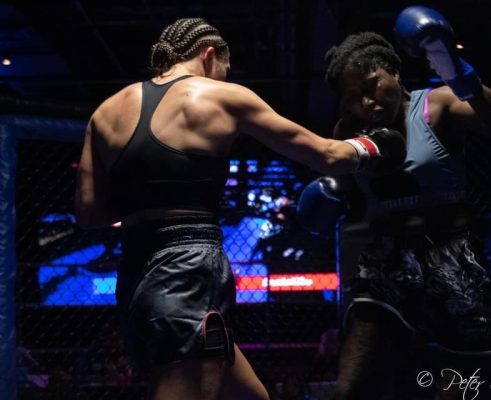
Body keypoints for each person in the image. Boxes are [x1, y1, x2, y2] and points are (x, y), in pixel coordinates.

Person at [74, 17, 402, 400]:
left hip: (136, 276)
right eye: (224, 71)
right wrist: (375, 145)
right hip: (187, 269)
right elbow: (327, 155)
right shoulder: (220, 96)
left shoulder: (106, 111)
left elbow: (88, 214)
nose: (224, 79)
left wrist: (152, 190)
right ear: (210, 55)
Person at [298, 6, 491, 400]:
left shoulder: (437, 104)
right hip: (387, 260)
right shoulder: (348, 130)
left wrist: (458, 73)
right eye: (352, 97)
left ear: (394, 72)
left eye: (371, 85)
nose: (365, 101)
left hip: (451, 254)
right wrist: (334, 197)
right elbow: (352, 194)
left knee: (460, 387)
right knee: (352, 388)